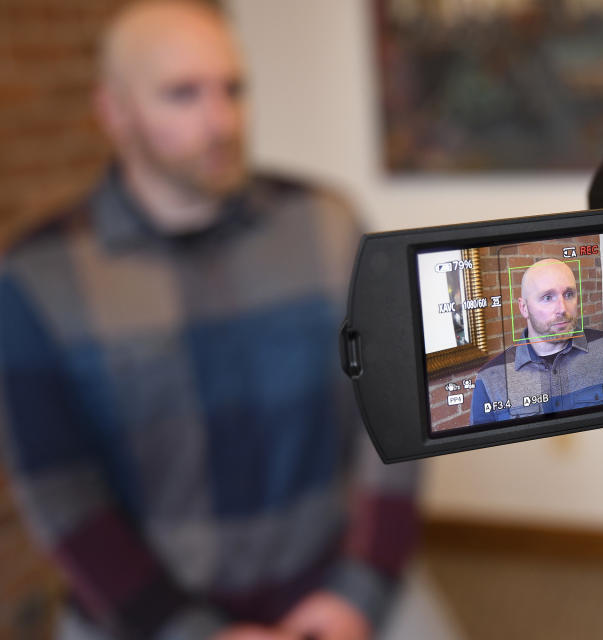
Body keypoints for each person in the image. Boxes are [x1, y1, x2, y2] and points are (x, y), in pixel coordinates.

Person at [0, 2, 418, 639]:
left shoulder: (325, 225)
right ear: (114, 112)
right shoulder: (39, 279)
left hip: (335, 593)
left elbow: (396, 411)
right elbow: (59, 490)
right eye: (182, 94)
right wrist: (186, 630)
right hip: (144, 616)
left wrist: (362, 589)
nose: (221, 121)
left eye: (233, 88)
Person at [470, 258, 603, 424]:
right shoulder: (490, 378)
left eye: (569, 294)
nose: (562, 308)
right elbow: (485, 451)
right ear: (524, 308)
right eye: (547, 297)